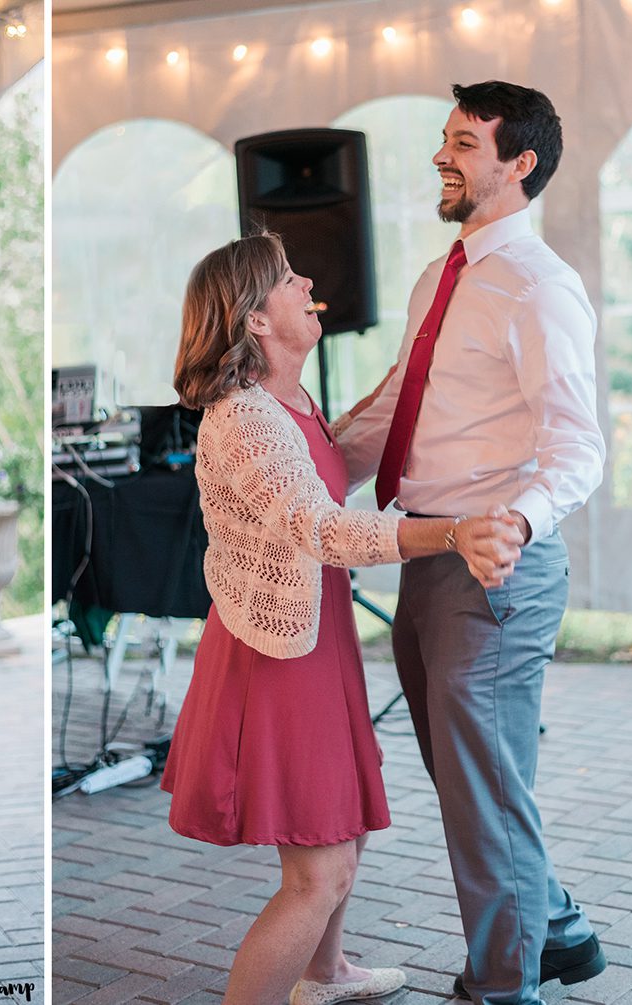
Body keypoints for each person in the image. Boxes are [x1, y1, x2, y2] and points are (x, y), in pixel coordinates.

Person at [159, 232, 525, 1005]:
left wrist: (421, 368)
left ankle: (325, 974)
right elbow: (324, 528)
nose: (309, 282)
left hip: (314, 645)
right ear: (257, 319)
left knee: (340, 832)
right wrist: (451, 532)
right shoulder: (245, 421)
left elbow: (344, 455)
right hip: (277, 659)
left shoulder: (291, 404)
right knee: (318, 873)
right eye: (290, 277)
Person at [335, 81, 607, 1005]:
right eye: (443, 139)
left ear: (518, 163)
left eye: (463, 141)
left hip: (494, 566)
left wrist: (516, 522)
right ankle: (558, 928)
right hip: (426, 553)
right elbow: (390, 404)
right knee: (471, 781)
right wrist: (294, 463)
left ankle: (504, 985)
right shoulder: (439, 276)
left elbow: (580, 446)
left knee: (482, 790)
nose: (442, 155)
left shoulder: (539, 288)